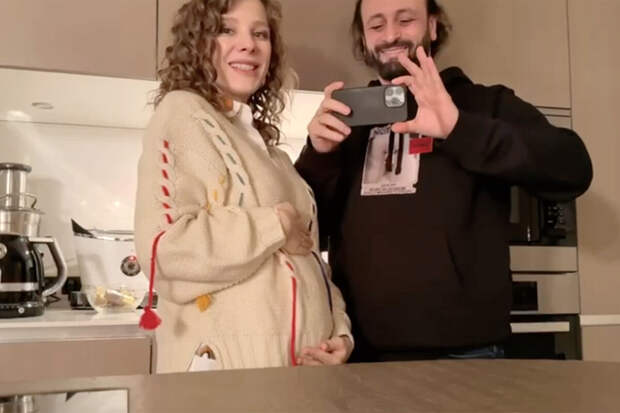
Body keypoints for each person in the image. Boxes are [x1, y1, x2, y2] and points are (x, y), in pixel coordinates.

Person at [295, 0, 592, 362]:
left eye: (405, 19)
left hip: (469, 355)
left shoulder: (484, 104)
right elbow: (304, 234)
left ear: (433, 26)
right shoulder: (348, 121)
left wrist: (458, 128)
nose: (391, 34)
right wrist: (319, 154)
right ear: (363, 38)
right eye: (376, 25)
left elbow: (573, 168)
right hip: (361, 356)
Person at [134, 0, 353, 373]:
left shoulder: (271, 154)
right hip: (229, 382)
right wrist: (275, 225)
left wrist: (340, 333)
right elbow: (164, 250)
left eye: (260, 34)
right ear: (197, 42)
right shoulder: (183, 113)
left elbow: (310, 260)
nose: (249, 44)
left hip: (301, 379)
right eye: (226, 29)